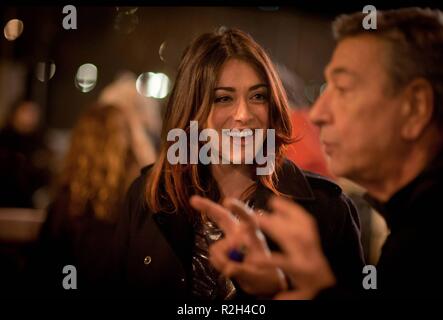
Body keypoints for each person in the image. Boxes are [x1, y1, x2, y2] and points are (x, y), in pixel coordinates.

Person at [198, 8, 443, 299]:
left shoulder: (422, 236)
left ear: (415, 107)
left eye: (342, 88)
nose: (317, 113)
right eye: (223, 98)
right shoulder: (411, 228)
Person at [110, 27, 364, 300]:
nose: (243, 114)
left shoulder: (327, 210)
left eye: (257, 96)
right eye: (223, 99)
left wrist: (278, 292)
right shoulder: (147, 197)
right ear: (192, 110)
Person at [27, 103, 154, 296]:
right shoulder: (139, 202)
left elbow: (45, 273)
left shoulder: (65, 205)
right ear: (126, 144)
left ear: (79, 143)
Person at [0, 99, 52, 208]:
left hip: (27, 203)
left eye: (34, 113)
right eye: (26, 112)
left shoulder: (39, 142)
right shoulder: (4, 140)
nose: (31, 117)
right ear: (14, 113)